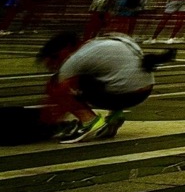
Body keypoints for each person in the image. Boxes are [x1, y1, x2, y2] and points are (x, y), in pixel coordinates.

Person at [41, 29, 172, 142]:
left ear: (65, 49)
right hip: (145, 89)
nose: (55, 64)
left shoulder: (75, 59)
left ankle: (90, 121)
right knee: (106, 73)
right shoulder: (104, 41)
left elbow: (59, 93)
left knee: (57, 84)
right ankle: (115, 115)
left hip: (125, 93)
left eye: (55, 58)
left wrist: (47, 123)